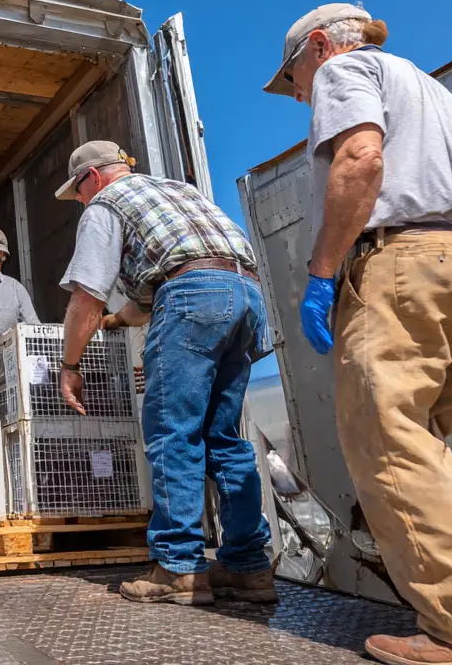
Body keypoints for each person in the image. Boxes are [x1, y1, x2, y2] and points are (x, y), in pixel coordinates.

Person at [265, 4, 452, 665]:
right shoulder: (432, 89)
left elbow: (360, 157)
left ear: (321, 46)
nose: (299, 90)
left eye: (294, 74)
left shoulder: (346, 70)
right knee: (422, 449)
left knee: (389, 449)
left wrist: (323, 272)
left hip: (405, 266)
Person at [53, 140, 274, 606]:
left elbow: (87, 297)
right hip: (245, 295)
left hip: (193, 298)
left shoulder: (105, 204)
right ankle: (248, 566)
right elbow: (178, 279)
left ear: (91, 178)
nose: (81, 202)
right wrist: (118, 321)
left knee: (175, 434)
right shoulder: (178, 192)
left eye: (78, 193)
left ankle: (177, 566)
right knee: (225, 439)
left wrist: (70, 365)